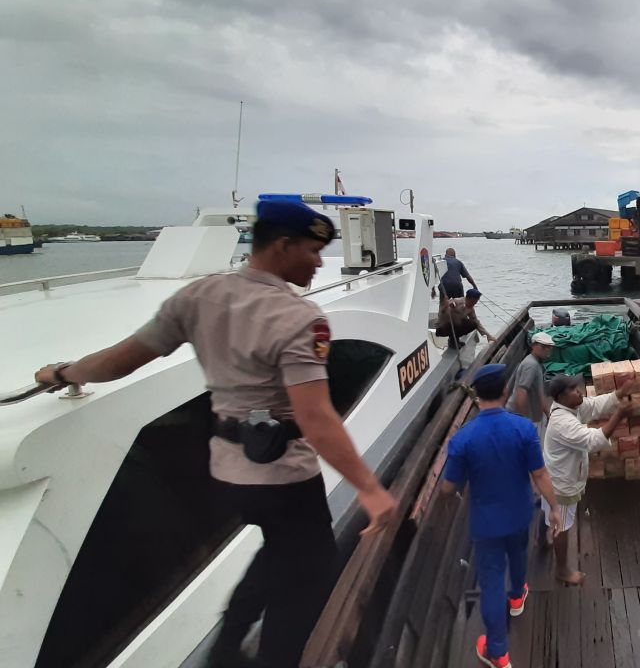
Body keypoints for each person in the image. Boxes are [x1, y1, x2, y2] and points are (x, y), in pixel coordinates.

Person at [34, 199, 398, 668]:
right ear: (283, 245)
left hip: (228, 472)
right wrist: (370, 490)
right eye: (312, 250)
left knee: (282, 547)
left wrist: (63, 373)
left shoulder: (197, 298)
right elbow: (317, 418)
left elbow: (120, 360)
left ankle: (227, 642)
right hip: (284, 477)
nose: (319, 262)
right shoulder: (300, 319)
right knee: (310, 577)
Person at [440, 364, 563, 668]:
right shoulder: (523, 429)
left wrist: (454, 487)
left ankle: (497, 651)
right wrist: (555, 508)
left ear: (477, 396)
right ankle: (518, 596)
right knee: (518, 554)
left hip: (486, 524)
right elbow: (540, 474)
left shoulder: (463, 439)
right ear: (505, 391)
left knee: (491, 581)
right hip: (521, 513)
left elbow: (447, 487)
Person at [541, 374, 640, 584]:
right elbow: (592, 441)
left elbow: (594, 405)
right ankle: (562, 570)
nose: (580, 392)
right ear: (561, 396)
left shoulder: (569, 408)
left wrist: (618, 394)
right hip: (562, 485)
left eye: (578, 388)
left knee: (553, 517)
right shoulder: (563, 423)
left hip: (557, 477)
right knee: (563, 525)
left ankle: (548, 534)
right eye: (574, 390)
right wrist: (620, 413)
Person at [505, 331, 556, 434]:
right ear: (534, 346)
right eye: (543, 346)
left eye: (549, 346)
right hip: (520, 417)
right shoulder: (531, 365)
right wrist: (524, 422)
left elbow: (540, 394)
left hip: (532, 416)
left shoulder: (537, 364)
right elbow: (521, 393)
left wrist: (548, 414)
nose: (547, 350)